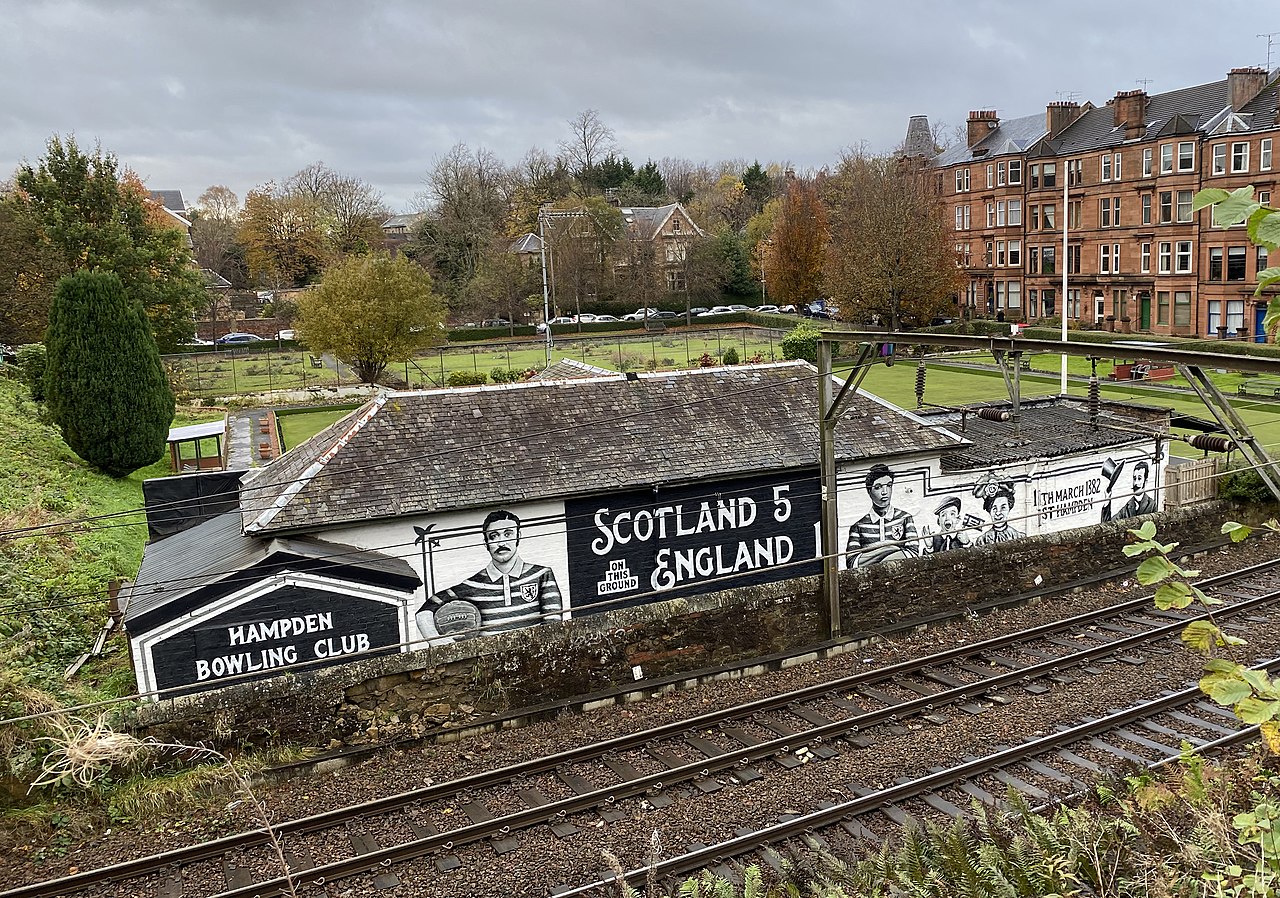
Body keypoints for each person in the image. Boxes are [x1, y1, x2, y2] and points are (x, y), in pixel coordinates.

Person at [415, 509, 563, 643]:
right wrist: (442, 644)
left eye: (508, 534)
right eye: (494, 536)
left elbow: (553, 627)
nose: (501, 542)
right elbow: (423, 612)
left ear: (518, 536)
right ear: (486, 543)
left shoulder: (542, 575)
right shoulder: (472, 585)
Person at [845, 464, 919, 567]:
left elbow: (913, 554)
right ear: (869, 491)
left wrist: (877, 561)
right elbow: (852, 563)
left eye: (889, 485)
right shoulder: (858, 526)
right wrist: (888, 549)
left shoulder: (905, 518)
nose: (885, 492)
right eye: (878, 487)